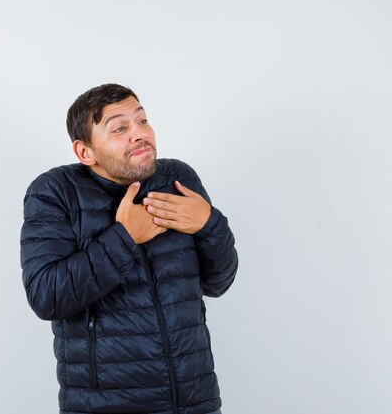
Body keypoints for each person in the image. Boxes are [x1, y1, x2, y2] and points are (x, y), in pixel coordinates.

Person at [20, 83, 238, 414]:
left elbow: (218, 283)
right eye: (120, 128)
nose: (139, 134)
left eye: (142, 120)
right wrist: (125, 237)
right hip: (104, 406)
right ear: (85, 152)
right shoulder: (55, 192)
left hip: (195, 401)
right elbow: (46, 296)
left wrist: (208, 223)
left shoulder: (177, 178)